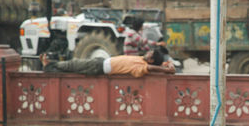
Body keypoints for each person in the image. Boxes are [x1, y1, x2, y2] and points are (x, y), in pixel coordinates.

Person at [40, 49, 175, 77]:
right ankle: (51, 65)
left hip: (98, 67)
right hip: (101, 62)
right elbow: (157, 66)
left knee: (73, 65)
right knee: (73, 66)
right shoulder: (141, 60)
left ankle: (49, 65)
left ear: (151, 60)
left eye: (150, 54)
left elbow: (151, 69)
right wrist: (166, 65)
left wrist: (167, 70)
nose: (147, 53)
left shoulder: (142, 67)